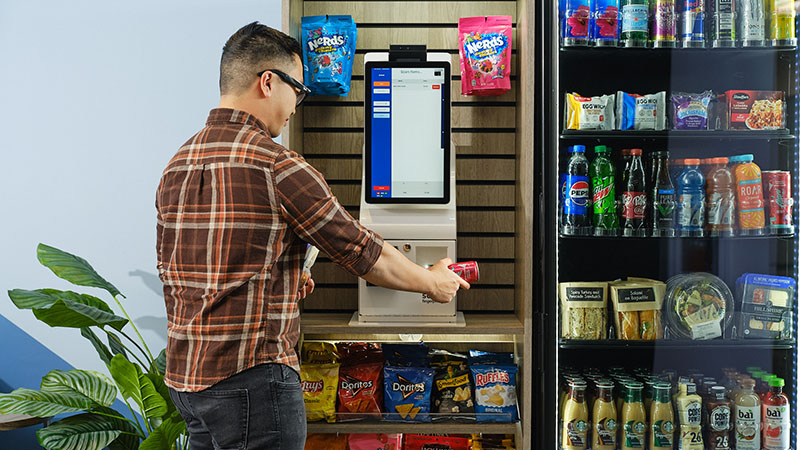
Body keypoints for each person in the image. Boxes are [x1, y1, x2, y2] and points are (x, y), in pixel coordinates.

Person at [155, 22, 469, 450]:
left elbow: (196, 269)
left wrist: (280, 282)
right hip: (252, 381)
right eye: (297, 91)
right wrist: (431, 281)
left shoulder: (179, 163)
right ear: (268, 82)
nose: (297, 105)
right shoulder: (276, 164)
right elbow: (361, 251)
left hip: (188, 382)